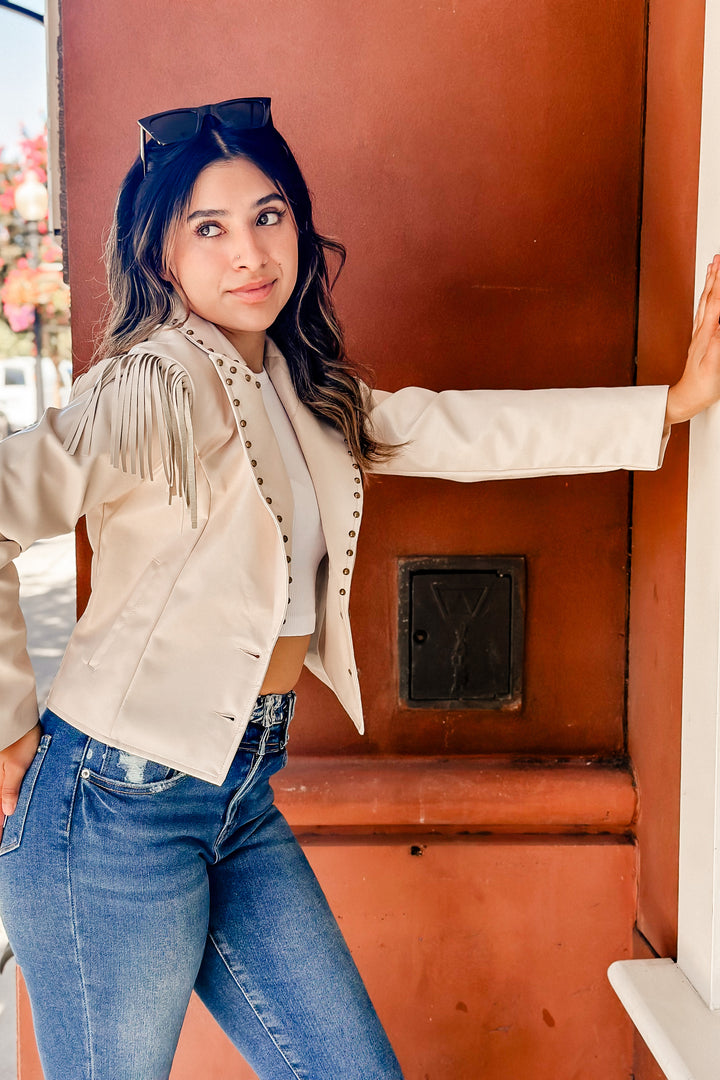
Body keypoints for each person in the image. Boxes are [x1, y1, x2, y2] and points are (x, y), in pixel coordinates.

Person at [0, 96, 718, 1080]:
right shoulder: (150, 386)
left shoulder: (303, 391)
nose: (248, 251)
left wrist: (669, 407)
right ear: (162, 255)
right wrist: (8, 723)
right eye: (208, 228)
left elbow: (459, 431)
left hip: (239, 795)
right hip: (114, 808)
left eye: (268, 215)